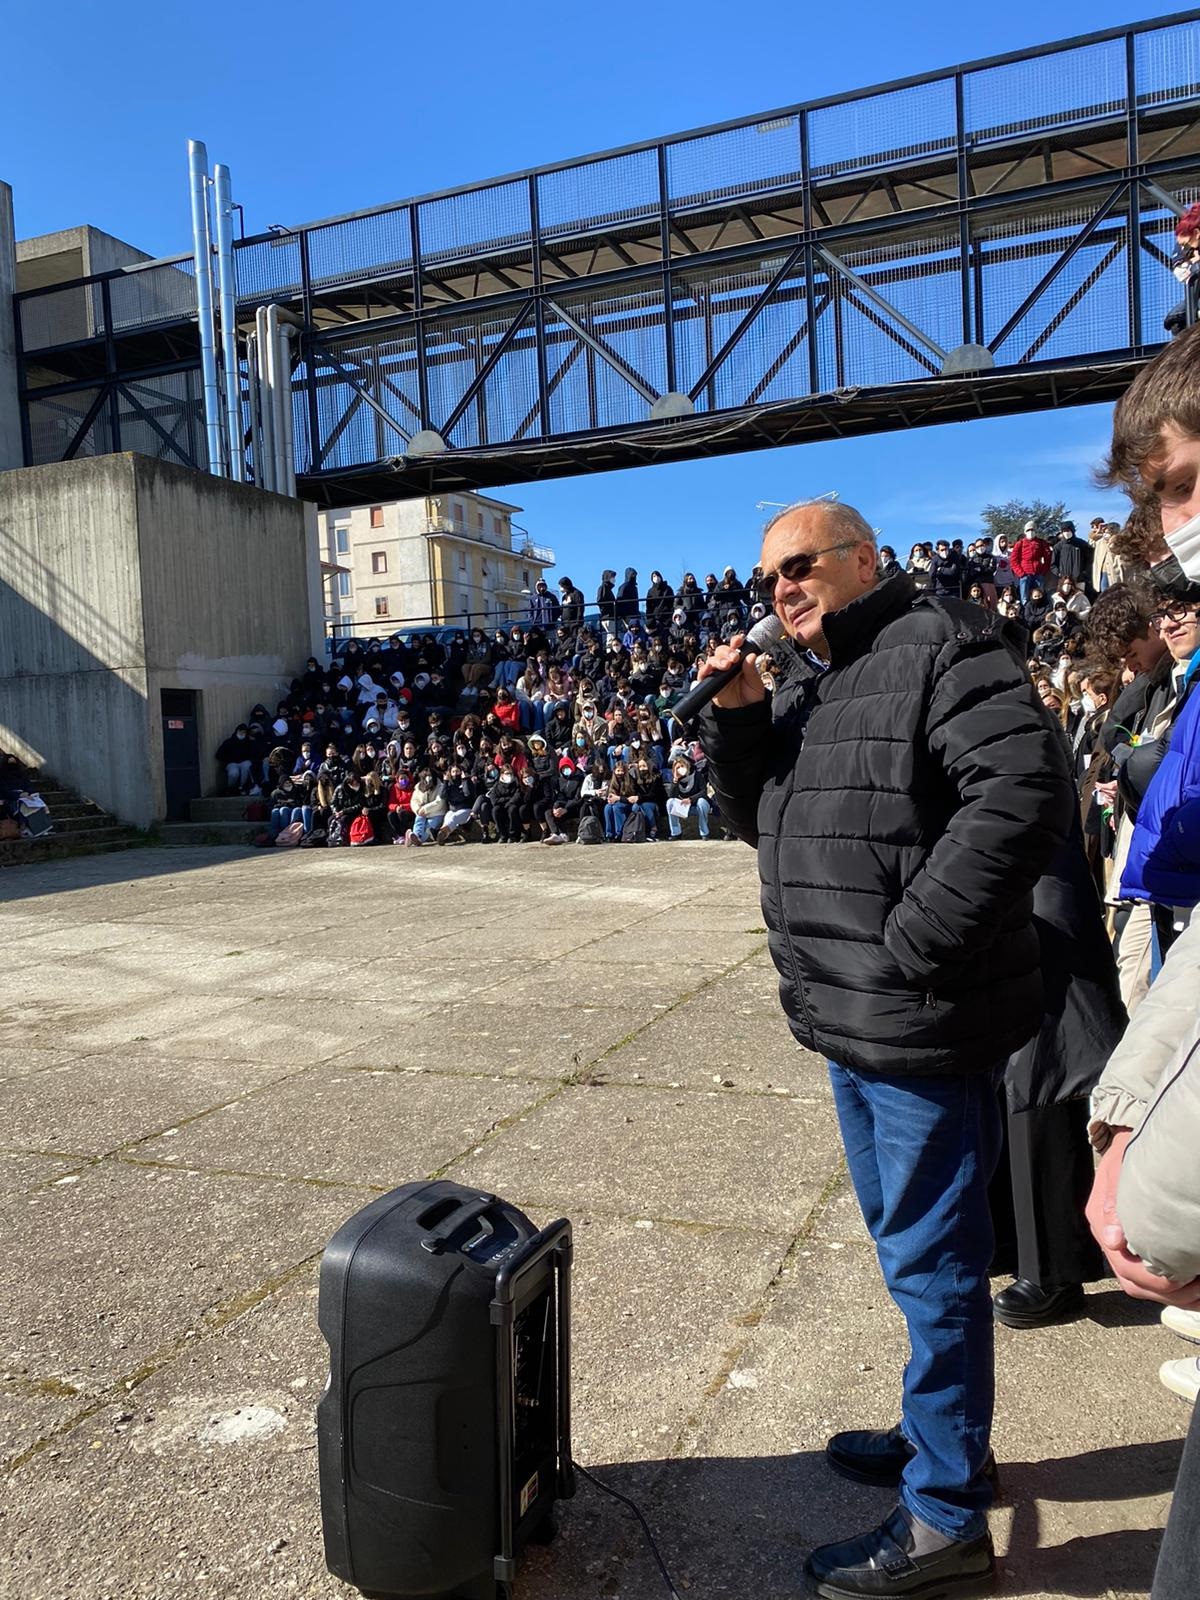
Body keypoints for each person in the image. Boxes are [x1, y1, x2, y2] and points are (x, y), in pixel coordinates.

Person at [697, 498, 1073, 1598]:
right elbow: (760, 822)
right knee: (912, 1253)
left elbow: (1024, 795)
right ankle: (945, 1440)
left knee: (935, 1262)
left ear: (865, 559)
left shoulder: (941, 642)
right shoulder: (811, 683)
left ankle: (945, 1516)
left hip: (915, 1021)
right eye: (768, 578)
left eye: (801, 565)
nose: (783, 590)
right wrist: (739, 721)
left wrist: (913, 945)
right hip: (851, 1022)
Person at [1011, 519, 1053, 603]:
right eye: (1028, 530)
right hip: (1025, 574)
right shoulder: (1020, 543)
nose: (1030, 532)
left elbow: (1048, 558)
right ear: (1025, 532)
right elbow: (1013, 560)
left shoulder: (1041, 543)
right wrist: (1021, 573)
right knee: (1024, 598)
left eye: (1032, 530)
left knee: (1039, 596)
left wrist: (1043, 572)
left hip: (1038, 574)